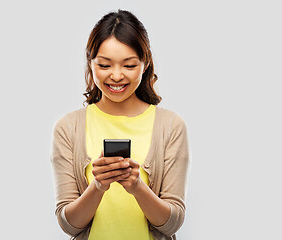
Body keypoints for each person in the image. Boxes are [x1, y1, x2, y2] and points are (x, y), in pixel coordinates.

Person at [50, 9, 190, 240]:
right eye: (105, 65)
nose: (116, 76)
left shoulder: (171, 126)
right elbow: (69, 225)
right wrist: (98, 186)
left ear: (145, 65)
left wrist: (137, 187)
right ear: (90, 64)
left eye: (129, 65)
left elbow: (172, 223)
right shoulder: (68, 127)